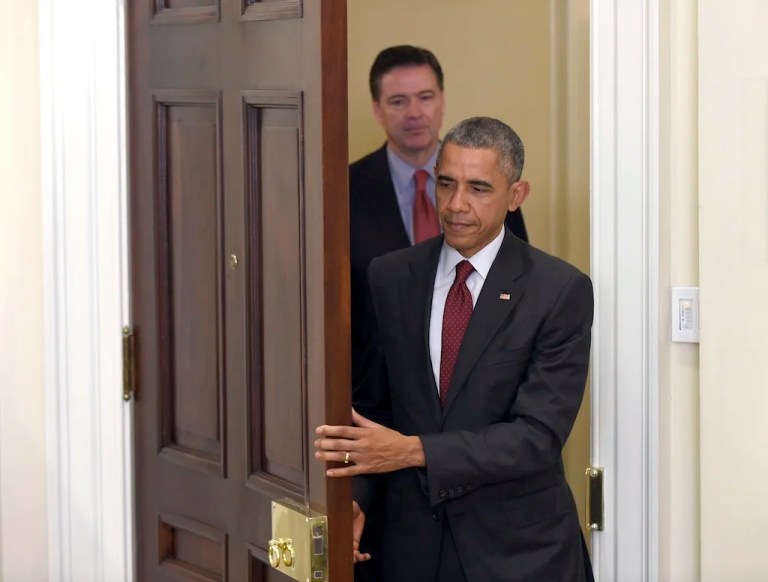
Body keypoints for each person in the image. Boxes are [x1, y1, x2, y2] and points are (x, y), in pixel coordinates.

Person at [318, 117, 594, 581]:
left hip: (521, 553)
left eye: (479, 188)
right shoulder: (390, 276)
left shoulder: (558, 290)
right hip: (412, 549)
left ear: (516, 195)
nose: (456, 205)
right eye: (446, 183)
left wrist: (413, 451)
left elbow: (537, 438)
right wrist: (355, 499)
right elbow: (372, 410)